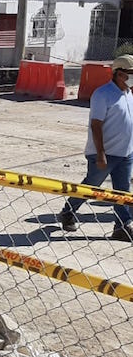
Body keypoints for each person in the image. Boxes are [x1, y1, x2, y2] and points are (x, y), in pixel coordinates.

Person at [58, 54, 133, 241]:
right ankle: (68, 212)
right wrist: (100, 154)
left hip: (125, 153)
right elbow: (96, 125)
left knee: (122, 191)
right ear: (119, 73)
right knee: (92, 187)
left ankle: (121, 227)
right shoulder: (103, 94)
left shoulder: (129, 94)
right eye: (130, 73)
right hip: (104, 153)